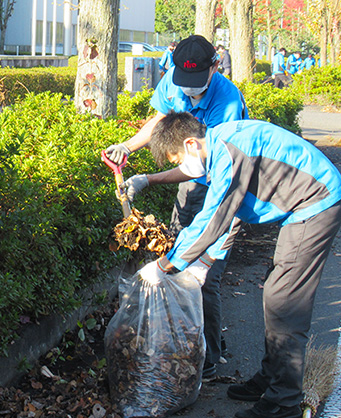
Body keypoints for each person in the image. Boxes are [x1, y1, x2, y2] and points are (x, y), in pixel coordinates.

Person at [134, 112, 341, 418]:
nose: (183, 167)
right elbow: (227, 214)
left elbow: (215, 216)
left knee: (284, 303)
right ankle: (271, 376)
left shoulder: (231, 152)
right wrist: (204, 262)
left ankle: (284, 400)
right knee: (275, 292)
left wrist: (165, 265)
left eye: (179, 158)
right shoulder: (221, 144)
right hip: (301, 209)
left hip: (315, 206)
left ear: (191, 143)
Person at [104, 34, 248, 379]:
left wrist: (149, 179)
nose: (188, 90)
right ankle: (186, 338)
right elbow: (160, 120)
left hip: (223, 183)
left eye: (196, 83)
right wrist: (128, 147)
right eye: (183, 83)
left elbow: (200, 165)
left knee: (203, 275)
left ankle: (209, 355)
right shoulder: (175, 80)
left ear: (215, 66)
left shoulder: (226, 102)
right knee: (178, 257)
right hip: (191, 182)